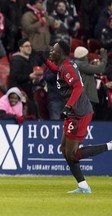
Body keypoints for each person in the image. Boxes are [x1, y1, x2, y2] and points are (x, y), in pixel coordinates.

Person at [44, 40, 112, 193]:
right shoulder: (64, 65)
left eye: (53, 50)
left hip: (78, 112)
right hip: (74, 111)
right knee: (64, 149)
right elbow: (57, 69)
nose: (51, 51)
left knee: (72, 154)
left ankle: (110, 145)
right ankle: (82, 186)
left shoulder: (67, 66)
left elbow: (78, 86)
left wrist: (68, 106)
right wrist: (45, 61)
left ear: (60, 53)